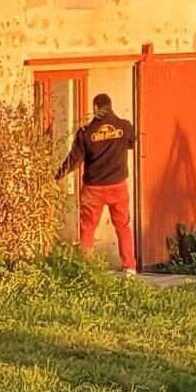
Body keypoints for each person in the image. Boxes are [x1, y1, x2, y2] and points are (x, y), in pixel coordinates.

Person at [59, 93, 138, 271]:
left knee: (87, 228)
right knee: (123, 227)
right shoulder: (125, 127)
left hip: (93, 189)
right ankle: (129, 268)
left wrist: (58, 174)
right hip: (118, 186)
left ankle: (86, 268)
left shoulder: (85, 132)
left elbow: (74, 160)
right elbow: (131, 143)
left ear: (95, 108)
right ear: (110, 106)